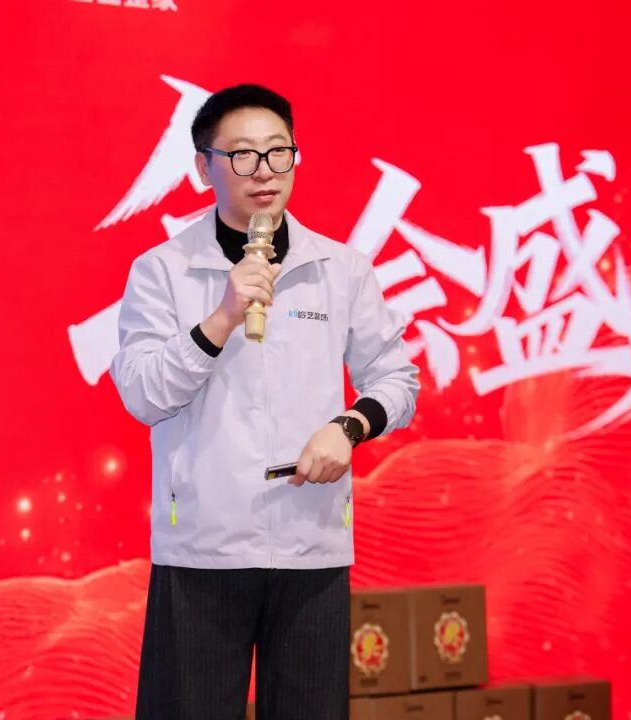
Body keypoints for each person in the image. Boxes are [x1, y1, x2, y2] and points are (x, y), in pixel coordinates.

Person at [109, 83, 420, 720]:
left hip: (311, 541)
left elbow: (397, 379)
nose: (265, 171)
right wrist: (221, 318)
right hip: (204, 545)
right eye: (243, 155)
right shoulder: (162, 270)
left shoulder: (340, 268)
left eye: (280, 152)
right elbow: (143, 394)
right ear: (205, 168)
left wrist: (350, 425)